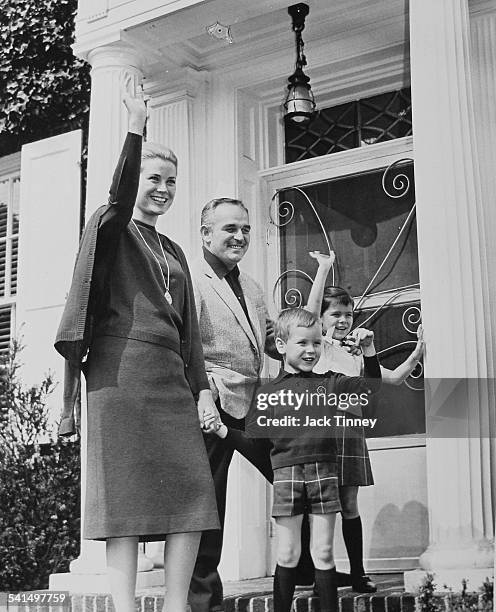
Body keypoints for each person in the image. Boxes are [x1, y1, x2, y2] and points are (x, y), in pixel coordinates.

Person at [54, 84, 219, 612]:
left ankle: (175, 605)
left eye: (171, 181)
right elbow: (119, 193)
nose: (164, 189)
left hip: (170, 378)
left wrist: (204, 391)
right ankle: (123, 608)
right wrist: (135, 127)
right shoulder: (112, 227)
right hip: (119, 374)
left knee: (193, 493)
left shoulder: (173, 249)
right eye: (154, 178)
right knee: (124, 498)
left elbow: (190, 328)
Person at [206, 308, 382, 612]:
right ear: (283, 345)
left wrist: (368, 351)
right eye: (302, 343)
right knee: (287, 554)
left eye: (316, 343)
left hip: (325, 474)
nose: (311, 350)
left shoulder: (330, 384)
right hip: (287, 477)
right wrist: (223, 431)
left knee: (324, 554)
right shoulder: (268, 392)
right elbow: (253, 440)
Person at [188, 197, 292, 611]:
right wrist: (202, 395)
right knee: (208, 506)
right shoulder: (191, 280)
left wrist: (319, 344)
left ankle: (299, 566)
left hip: (253, 404)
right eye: (230, 228)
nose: (240, 236)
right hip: (212, 405)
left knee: (291, 477)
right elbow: (187, 347)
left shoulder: (249, 285)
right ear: (206, 233)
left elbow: (271, 343)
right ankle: (204, 601)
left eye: (245, 228)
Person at [305, 251, 424, 593]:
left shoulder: (354, 353)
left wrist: (417, 349)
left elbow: (392, 380)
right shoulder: (318, 347)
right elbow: (309, 315)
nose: (342, 320)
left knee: (349, 504)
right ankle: (321, 578)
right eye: (335, 314)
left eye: (348, 314)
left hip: (350, 430)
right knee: (322, 504)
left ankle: (357, 574)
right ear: (324, 319)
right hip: (321, 432)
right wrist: (324, 269)